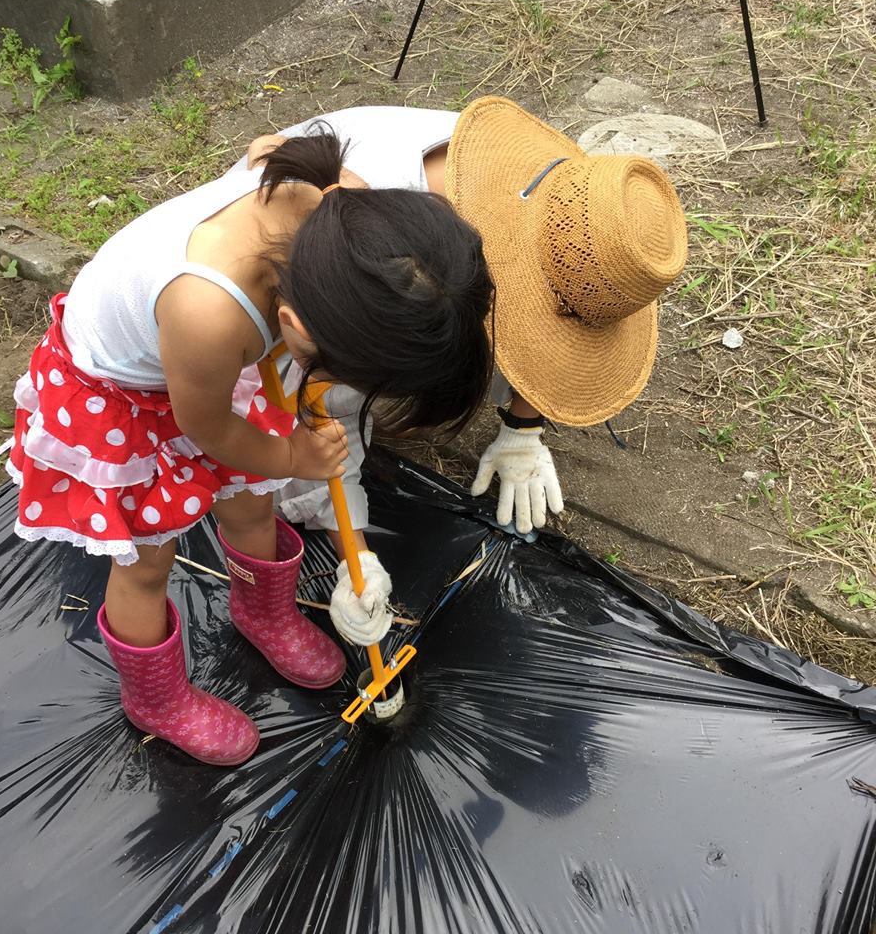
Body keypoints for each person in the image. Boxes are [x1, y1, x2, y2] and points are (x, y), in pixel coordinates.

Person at [6, 127, 494, 766]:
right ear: (290, 327)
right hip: (123, 398)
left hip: (204, 370)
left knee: (252, 502)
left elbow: (268, 145)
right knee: (147, 561)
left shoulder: (345, 207)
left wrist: (284, 454)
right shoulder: (208, 311)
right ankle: (156, 699)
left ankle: (262, 613)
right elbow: (209, 430)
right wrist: (292, 458)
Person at [237, 96, 688, 648]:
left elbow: (550, 333)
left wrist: (523, 426)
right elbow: (322, 421)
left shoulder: (576, 212)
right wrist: (354, 552)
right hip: (310, 292)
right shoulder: (362, 265)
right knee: (300, 428)